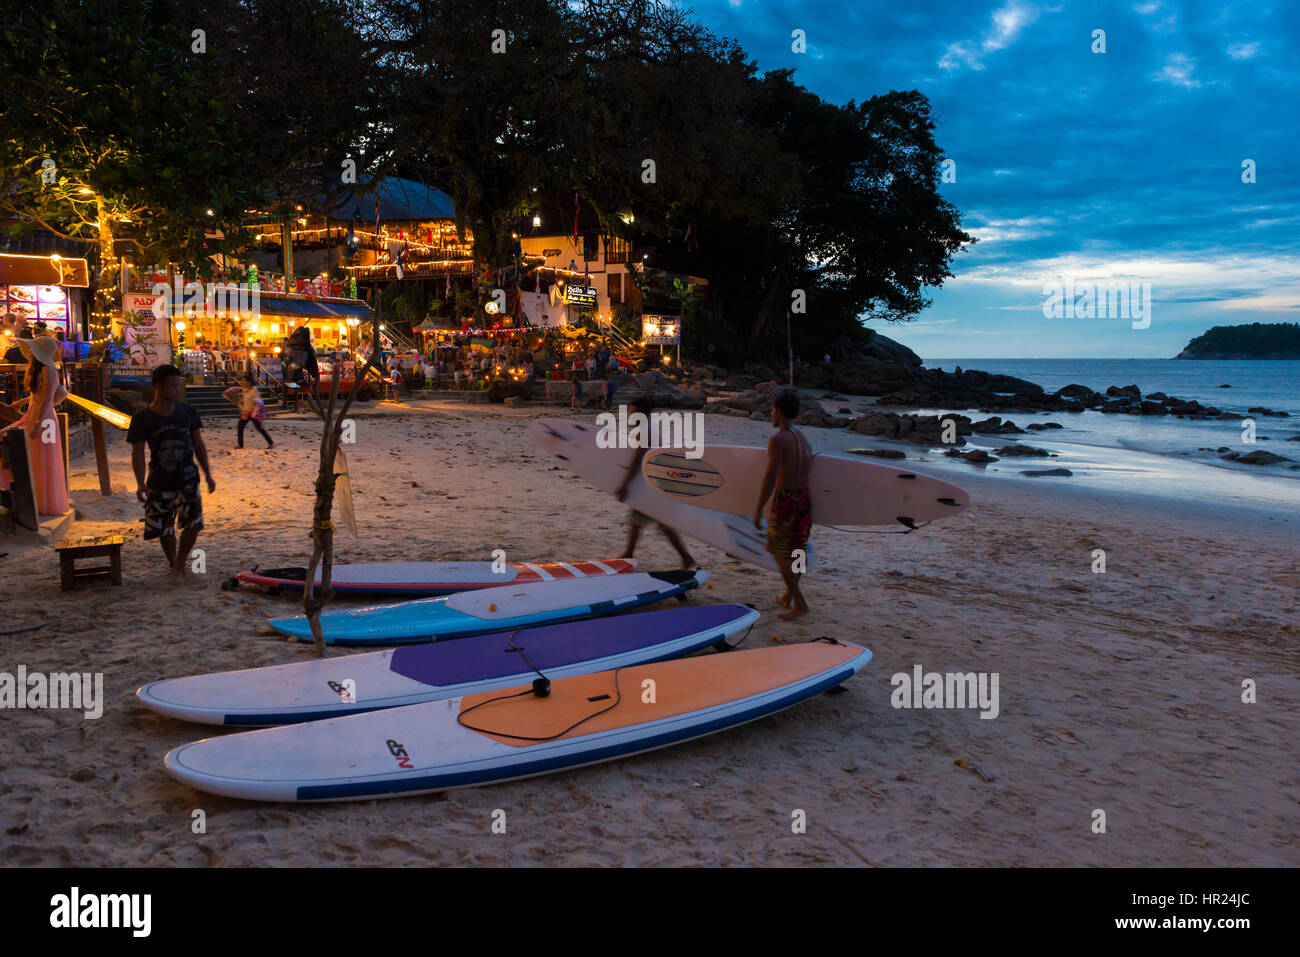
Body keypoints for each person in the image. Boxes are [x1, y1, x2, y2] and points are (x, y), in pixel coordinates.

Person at [127, 364, 216, 581]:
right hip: (158, 480)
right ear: (158, 386)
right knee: (164, 528)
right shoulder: (142, 418)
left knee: (193, 523)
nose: (177, 390)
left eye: (179, 385)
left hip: (187, 478)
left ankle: (180, 564)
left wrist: (208, 474)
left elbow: (198, 444)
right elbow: (137, 453)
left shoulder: (187, 413)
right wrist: (140, 483)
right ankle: (173, 564)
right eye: (173, 385)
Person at [615, 396, 695, 568]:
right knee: (638, 519)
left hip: (652, 484)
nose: (630, 415)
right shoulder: (650, 427)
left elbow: (637, 460)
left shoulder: (643, 431)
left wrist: (625, 485)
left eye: (633, 412)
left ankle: (686, 558)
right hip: (654, 481)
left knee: (660, 522)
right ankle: (628, 553)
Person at [753, 390, 813, 620]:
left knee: (778, 552)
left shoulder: (777, 440)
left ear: (778, 410)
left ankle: (800, 603)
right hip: (804, 498)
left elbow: (770, 477)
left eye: (772, 409)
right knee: (798, 550)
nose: (770, 413)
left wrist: (758, 508)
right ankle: (789, 594)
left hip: (786, 500)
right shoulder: (801, 437)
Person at [0, 336, 69, 516]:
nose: (29, 352)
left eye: (32, 349)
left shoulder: (49, 369)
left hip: (44, 420)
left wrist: (39, 423)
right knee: (32, 456)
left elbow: (47, 398)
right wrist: (21, 403)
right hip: (35, 416)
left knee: (43, 460)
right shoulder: (39, 368)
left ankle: (42, 502)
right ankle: (25, 495)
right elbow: (37, 396)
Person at [223, 374, 274, 449]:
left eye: (244, 381)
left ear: (249, 382)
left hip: (253, 413)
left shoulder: (254, 390)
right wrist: (238, 402)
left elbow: (259, 401)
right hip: (245, 412)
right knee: (240, 427)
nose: (242, 382)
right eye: (242, 381)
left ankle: (270, 443)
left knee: (259, 428)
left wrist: (253, 406)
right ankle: (240, 445)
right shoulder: (244, 390)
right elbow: (245, 401)